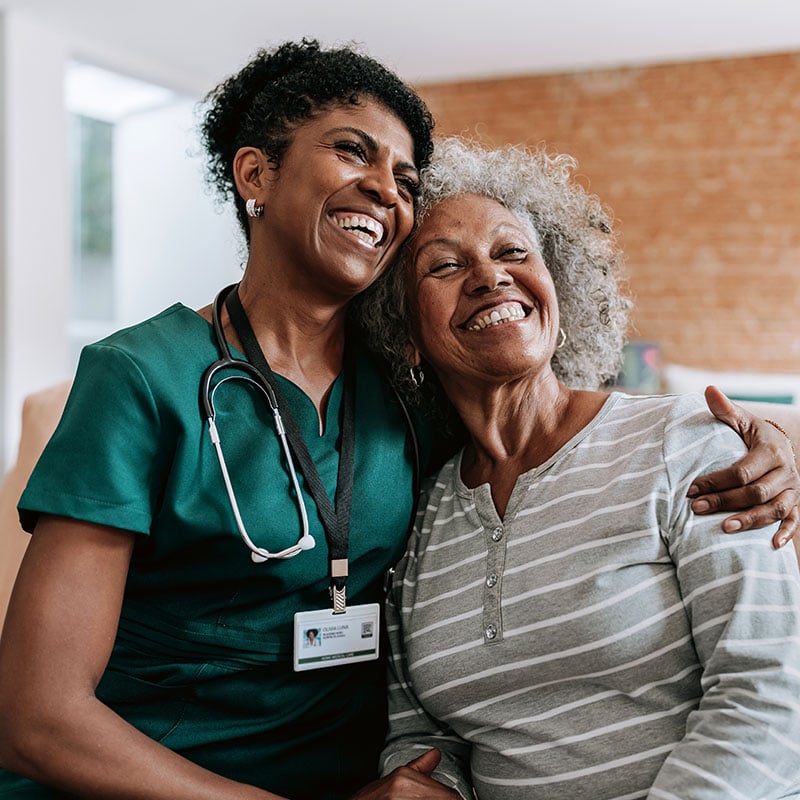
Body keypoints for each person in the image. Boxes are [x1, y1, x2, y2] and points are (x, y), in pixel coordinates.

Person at [0, 40, 795, 800]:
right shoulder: (141, 377)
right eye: (353, 151)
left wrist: (779, 446)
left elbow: (553, 438)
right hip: (159, 777)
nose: (387, 189)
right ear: (256, 173)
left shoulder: (409, 393)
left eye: (406, 178)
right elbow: (37, 717)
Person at [361, 137, 800, 798]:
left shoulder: (685, 446)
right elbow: (422, 727)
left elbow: (770, 688)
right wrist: (427, 780)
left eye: (513, 251)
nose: (489, 275)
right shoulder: (416, 516)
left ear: (556, 292)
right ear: (405, 338)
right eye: (446, 266)